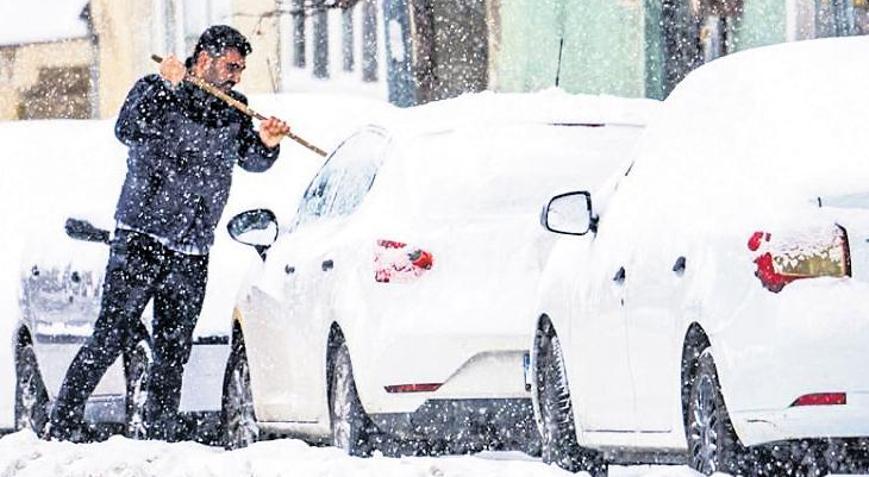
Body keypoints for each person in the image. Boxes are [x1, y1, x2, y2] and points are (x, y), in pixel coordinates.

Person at [47, 25, 290, 442]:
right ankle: (62, 423)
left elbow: (250, 158)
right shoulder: (156, 88)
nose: (236, 76)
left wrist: (267, 143)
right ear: (206, 58)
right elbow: (126, 128)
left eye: (241, 69)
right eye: (231, 66)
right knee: (111, 335)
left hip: (192, 247)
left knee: (174, 349)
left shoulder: (233, 107)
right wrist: (166, 87)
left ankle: (161, 436)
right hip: (141, 236)